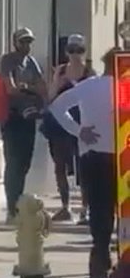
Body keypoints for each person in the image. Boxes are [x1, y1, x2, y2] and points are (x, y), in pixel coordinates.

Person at [46, 48, 117, 278]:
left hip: (92, 156)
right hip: (121, 160)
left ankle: (99, 260)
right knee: (122, 211)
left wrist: (78, 131)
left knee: (99, 209)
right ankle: (119, 259)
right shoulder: (124, 88)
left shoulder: (89, 86)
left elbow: (57, 107)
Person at [43, 33, 95, 224]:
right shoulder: (60, 71)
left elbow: (95, 100)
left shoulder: (90, 74)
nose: (75, 54)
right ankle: (66, 207)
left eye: (79, 50)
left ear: (84, 51)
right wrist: (57, 82)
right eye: (71, 50)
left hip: (82, 125)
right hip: (59, 125)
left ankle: (85, 209)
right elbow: (49, 98)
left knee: (84, 168)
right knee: (60, 167)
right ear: (66, 52)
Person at [0, 27, 47, 221]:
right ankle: (12, 207)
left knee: (25, 162)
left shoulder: (31, 62)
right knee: (13, 161)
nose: (26, 46)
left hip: (29, 117)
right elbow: (10, 88)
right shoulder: (8, 61)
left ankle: (18, 201)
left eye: (28, 42)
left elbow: (43, 87)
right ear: (15, 42)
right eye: (23, 42)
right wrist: (31, 90)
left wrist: (27, 88)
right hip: (12, 117)